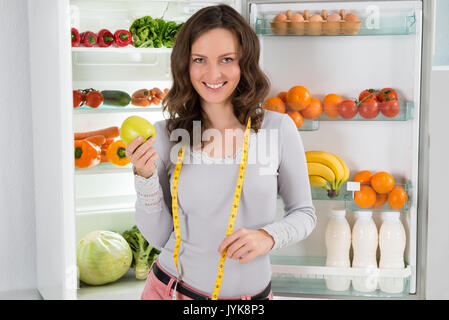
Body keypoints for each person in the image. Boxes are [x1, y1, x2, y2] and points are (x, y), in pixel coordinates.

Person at [126, 4, 316, 300]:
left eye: (226, 59)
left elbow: (304, 213)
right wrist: (145, 177)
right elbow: (161, 236)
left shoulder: (277, 129)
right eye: (199, 59)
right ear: (184, 65)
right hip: (172, 292)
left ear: (245, 63)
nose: (213, 73)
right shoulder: (167, 136)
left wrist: (269, 237)